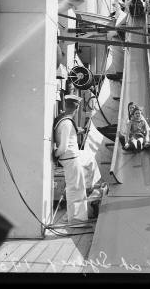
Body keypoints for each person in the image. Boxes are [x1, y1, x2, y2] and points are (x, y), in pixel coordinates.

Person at [53, 95, 88, 223]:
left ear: (64, 106)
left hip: (68, 160)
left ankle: (72, 217)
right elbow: (63, 147)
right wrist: (55, 154)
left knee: (74, 188)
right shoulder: (67, 123)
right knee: (77, 190)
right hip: (71, 159)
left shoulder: (62, 120)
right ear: (77, 107)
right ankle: (76, 219)